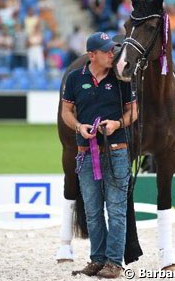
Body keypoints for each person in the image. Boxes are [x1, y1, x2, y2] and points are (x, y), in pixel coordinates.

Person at [61, 32, 137, 278]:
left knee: (116, 210)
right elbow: (67, 112)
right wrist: (78, 127)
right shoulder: (74, 78)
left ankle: (114, 263)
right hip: (85, 153)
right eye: (106, 51)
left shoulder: (121, 78)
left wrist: (117, 124)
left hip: (117, 152)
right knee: (92, 211)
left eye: (112, 50)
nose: (111, 54)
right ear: (92, 55)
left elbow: (132, 112)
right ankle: (97, 259)